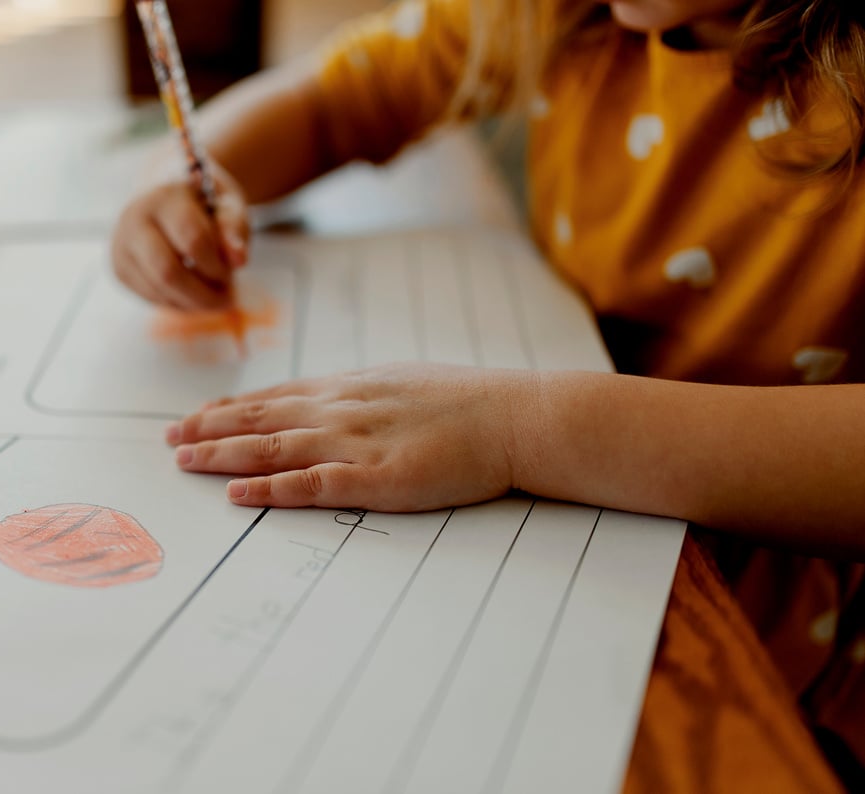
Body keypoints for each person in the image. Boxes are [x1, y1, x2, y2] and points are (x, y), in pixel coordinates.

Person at [110, 0, 865, 782]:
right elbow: (326, 102)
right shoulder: (553, 13)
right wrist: (173, 180)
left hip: (794, 647)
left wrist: (526, 427)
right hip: (591, 550)